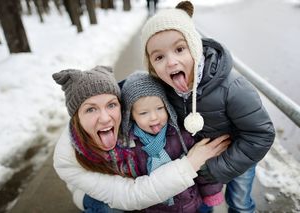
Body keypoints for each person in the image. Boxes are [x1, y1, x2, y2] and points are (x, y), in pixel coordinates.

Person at [141, 1, 276, 212]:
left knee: (239, 202)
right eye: (159, 57)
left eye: (179, 49)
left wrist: (216, 168)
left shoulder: (233, 88)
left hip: (238, 156)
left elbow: (261, 134)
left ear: (195, 48)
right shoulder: (165, 91)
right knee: (203, 204)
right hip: (199, 163)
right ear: (151, 66)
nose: (171, 62)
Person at [52, 65, 230, 212]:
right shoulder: (67, 158)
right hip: (96, 195)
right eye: (90, 109)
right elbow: (130, 196)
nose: (105, 118)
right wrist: (191, 163)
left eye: (111, 105)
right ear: (76, 117)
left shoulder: (128, 125)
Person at [120, 70, 224, 212]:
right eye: (144, 113)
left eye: (159, 108)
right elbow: (132, 185)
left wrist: (211, 191)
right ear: (130, 115)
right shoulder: (129, 146)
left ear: (167, 107)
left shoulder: (180, 135)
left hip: (192, 203)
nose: (154, 117)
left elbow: (202, 165)